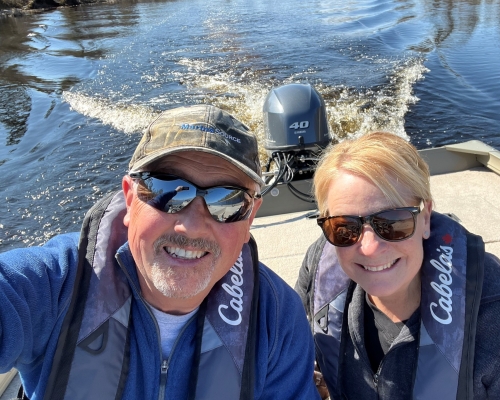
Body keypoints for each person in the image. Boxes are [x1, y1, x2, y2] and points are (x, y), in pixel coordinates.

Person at [0, 104, 320, 399]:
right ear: (129, 198)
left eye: (228, 201)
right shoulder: (54, 285)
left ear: (250, 215)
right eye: (168, 191)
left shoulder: (276, 320)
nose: (192, 227)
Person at [295, 131, 500, 399]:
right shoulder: (320, 269)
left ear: (425, 217)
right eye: (344, 227)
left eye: (392, 222)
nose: (369, 247)